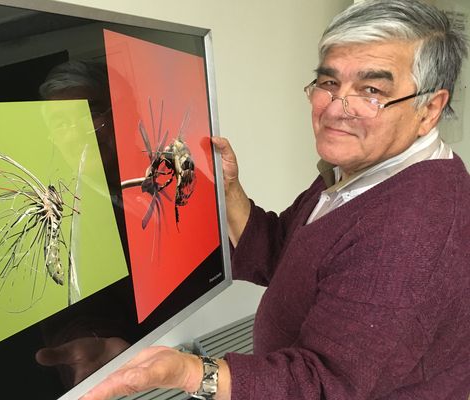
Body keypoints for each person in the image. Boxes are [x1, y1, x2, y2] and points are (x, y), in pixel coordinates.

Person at [80, 0, 470, 399]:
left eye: (372, 91)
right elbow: (288, 251)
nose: (337, 109)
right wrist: (229, 191)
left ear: (430, 108)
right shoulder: (363, 172)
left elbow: (323, 388)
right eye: (330, 83)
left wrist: (187, 372)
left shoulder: (413, 229)